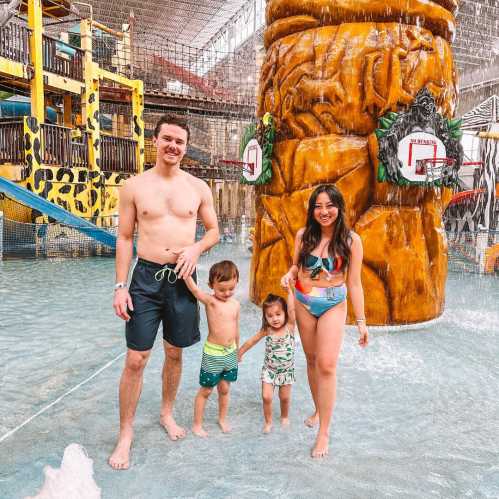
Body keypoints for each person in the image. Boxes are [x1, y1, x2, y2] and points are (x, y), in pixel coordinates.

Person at [109, 114, 219, 470]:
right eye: (167, 139)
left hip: (183, 279)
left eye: (180, 141)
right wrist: (120, 287)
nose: (173, 146)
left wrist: (195, 250)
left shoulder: (198, 187)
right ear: (154, 141)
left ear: (186, 147)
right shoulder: (135, 187)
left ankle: (167, 413)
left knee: (174, 353)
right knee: (136, 359)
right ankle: (125, 434)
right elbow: (125, 238)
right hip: (144, 279)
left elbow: (214, 231)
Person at [281, 184, 369, 458]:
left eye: (329, 205)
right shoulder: (303, 236)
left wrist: (362, 321)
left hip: (333, 304)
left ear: (339, 208)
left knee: (327, 364)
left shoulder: (352, 241)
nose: (324, 211)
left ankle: (324, 432)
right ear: (312, 210)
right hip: (304, 301)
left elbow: (354, 284)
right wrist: (290, 273)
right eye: (318, 206)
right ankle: (318, 408)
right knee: (310, 360)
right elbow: (296, 267)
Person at [184, 260, 240, 437]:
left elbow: (236, 327)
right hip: (213, 354)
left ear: (236, 282)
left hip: (230, 352)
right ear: (211, 286)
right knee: (207, 390)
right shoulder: (210, 301)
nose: (226, 293)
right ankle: (197, 424)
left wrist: (237, 349)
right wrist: (185, 272)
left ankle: (222, 419)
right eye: (221, 289)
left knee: (224, 389)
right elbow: (194, 290)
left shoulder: (236, 304)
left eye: (231, 288)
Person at [238, 290, 296, 434]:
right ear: (265, 317)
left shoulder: (290, 327)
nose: (275, 319)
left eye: (278, 314)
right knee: (266, 396)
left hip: (286, 371)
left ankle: (284, 416)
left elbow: (292, 308)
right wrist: (240, 351)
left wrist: (290, 291)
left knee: (285, 397)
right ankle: (268, 422)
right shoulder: (267, 330)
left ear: (285, 314)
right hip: (269, 371)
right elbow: (252, 341)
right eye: (269, 316)